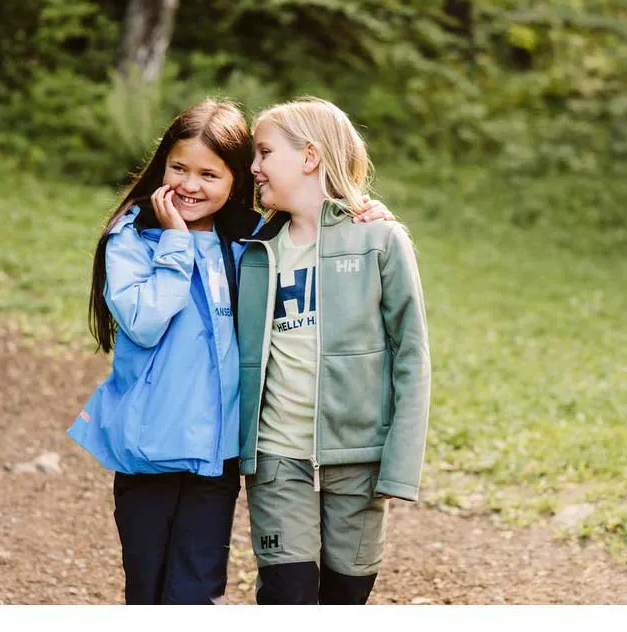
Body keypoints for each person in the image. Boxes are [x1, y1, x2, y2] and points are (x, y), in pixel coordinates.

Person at [67, 98, 391, 605]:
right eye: (179, 168)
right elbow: (145, 323)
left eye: (209, 174)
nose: (190, 185)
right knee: (146, 589)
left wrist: (362, 215)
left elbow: (313, 233)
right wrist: (176, 244)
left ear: (236, 179)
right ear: (162, 165)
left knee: (197, 592)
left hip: (216, 459)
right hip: (147, 455)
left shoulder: (251, 242)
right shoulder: (131, 239)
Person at [238, 96, 431, 605]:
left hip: (358, 461)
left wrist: (400, 465)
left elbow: (412, 357)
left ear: (310, 156)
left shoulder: (380, 240)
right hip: (277, 456)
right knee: (288, 595)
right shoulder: (254, 248)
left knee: (346, 596)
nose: (253, 166)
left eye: (264, 152)